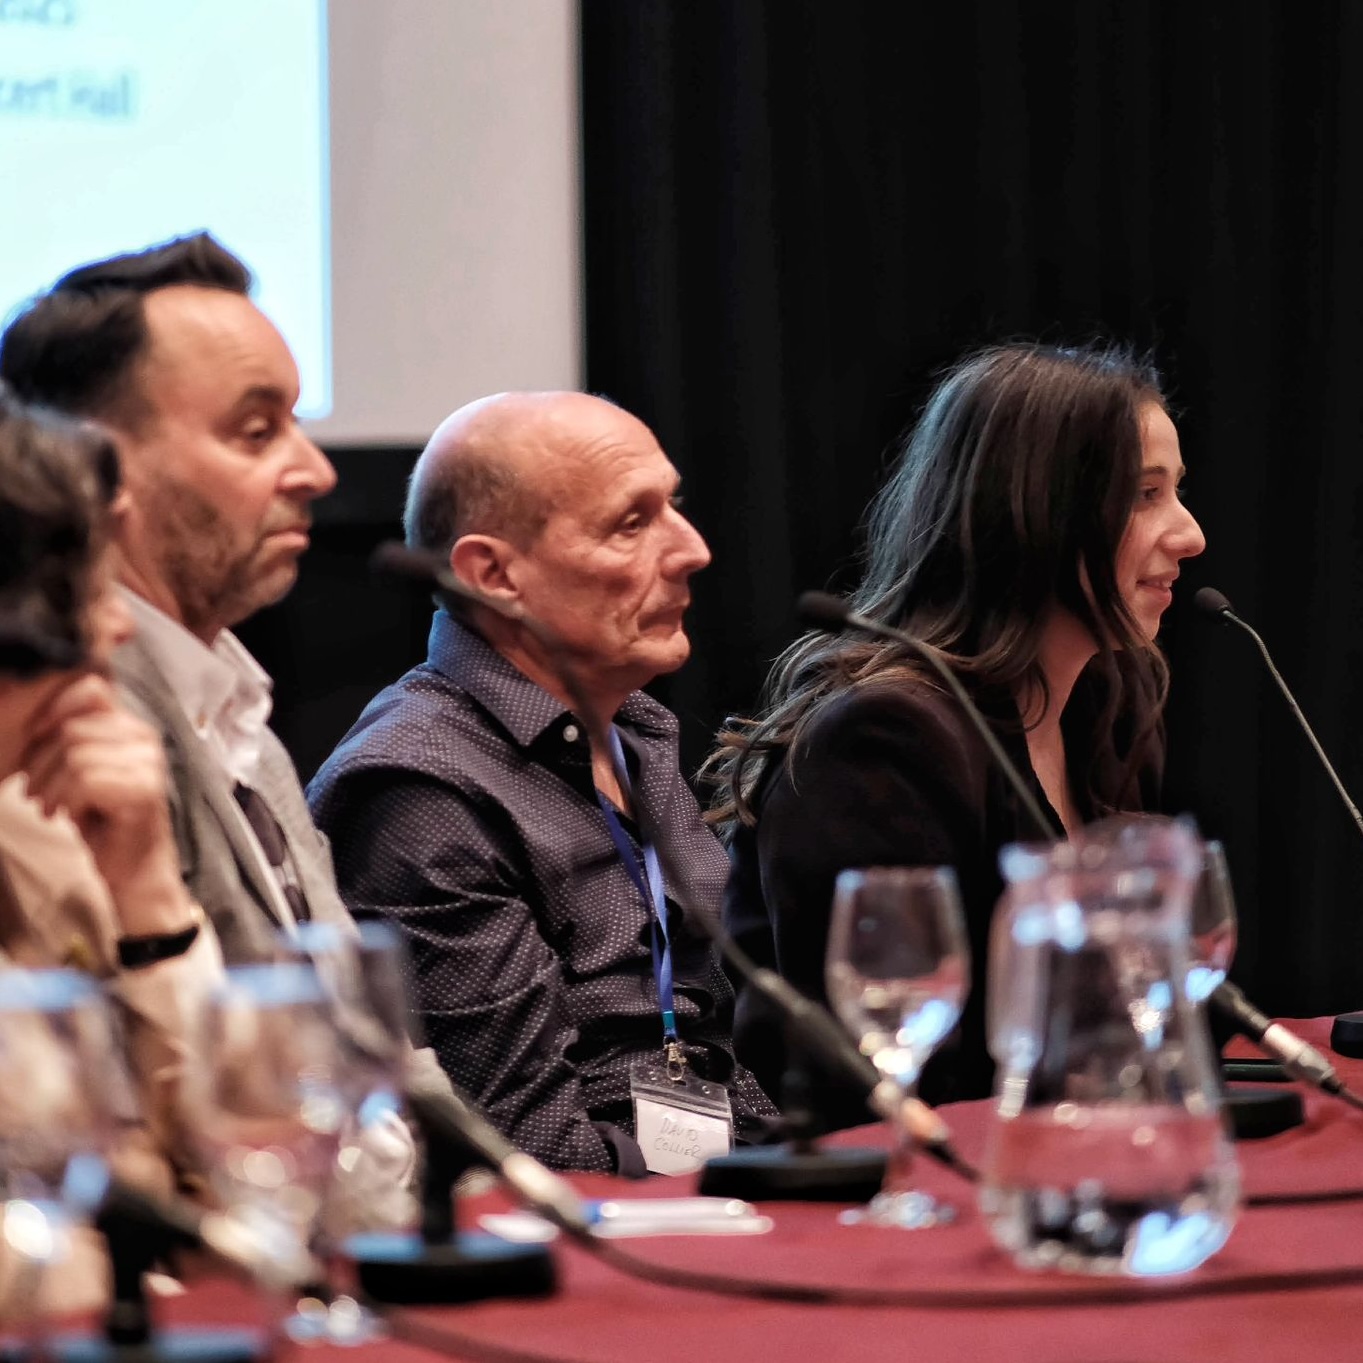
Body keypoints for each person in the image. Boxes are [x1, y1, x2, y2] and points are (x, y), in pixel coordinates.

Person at [708, 342, 1207, 1130]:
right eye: (1144, 495)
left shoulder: (1109, 702)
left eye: (1176, 491)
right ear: (1034, 508)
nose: (1188, 534)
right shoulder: (881, 737)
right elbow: (875, 1074)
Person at [307, 391, 777, 1174]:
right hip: (599, 1235)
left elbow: (711, 1047)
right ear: (493, 574)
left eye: (675, 506)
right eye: (633, 523)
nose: (692, 548)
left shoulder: (638, 736)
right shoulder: (420, 788)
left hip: (695, 1193)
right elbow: (525, 1143)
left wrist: (796, 1167)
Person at [0, 233, 350, 960]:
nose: (316, 471)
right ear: (95, 463)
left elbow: (349, 1029)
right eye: (256, 432)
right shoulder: (56, 732)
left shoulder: (233, 700)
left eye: (298, 425)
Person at [0, 388, 221, 1316]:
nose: (121, 626)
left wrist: (148, 889)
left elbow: (246, 1168)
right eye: (96, 589)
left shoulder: (47, 823)